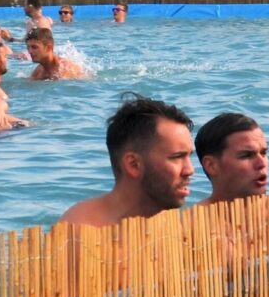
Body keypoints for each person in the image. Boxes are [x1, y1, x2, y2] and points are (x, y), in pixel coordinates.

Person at [57, 96, 195, 228]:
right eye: (177, 157)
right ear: (133, 165)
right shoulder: (80, 233)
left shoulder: (180, 226)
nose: (190, 170)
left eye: (189, 156)